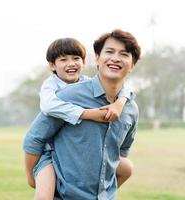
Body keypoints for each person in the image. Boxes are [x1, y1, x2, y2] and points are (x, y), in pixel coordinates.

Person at [24, 29, 141, 199]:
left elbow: (121, 152)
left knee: (127, 166)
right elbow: (34, 138)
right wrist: (31, 175)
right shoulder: (64, 96)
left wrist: (121, 101)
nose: (115, 58)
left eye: (124, 54)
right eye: (109, 52)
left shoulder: (130, 109)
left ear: (132, 64)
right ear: (98, 58)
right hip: (57, 172)